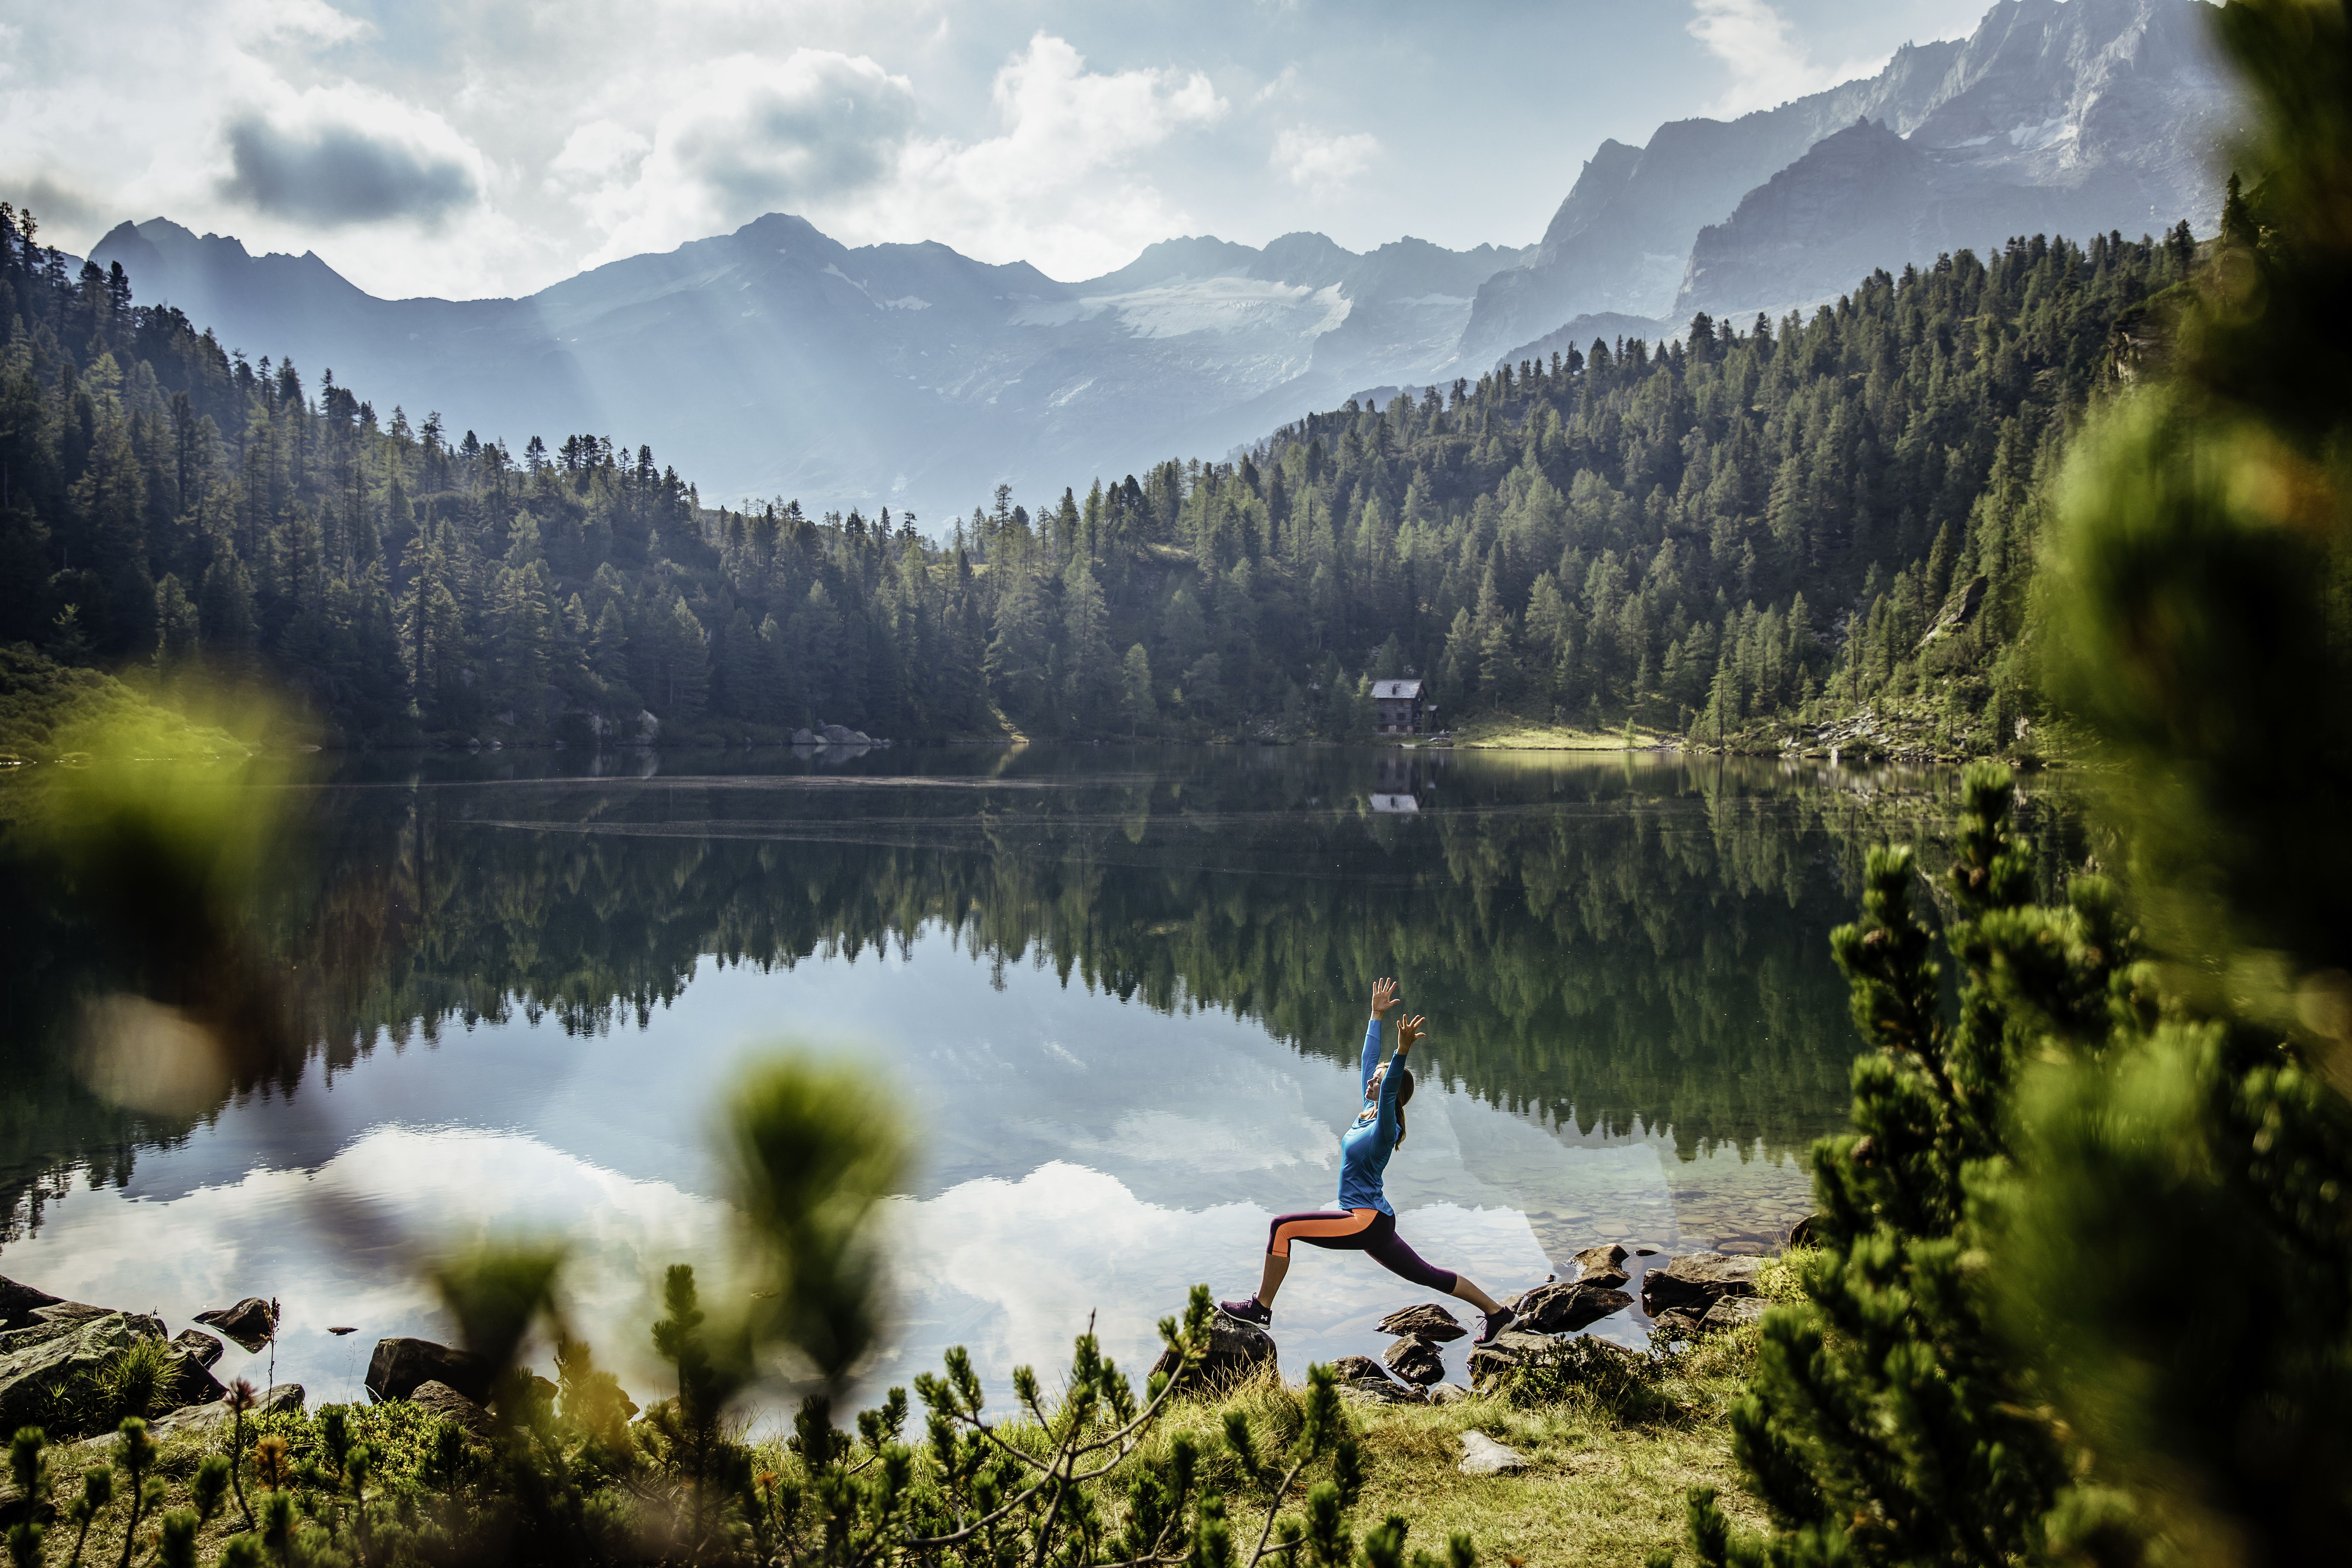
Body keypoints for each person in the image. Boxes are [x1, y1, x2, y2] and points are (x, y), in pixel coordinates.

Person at [1220, 977, 1520, 1345]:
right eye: (1372, 1080)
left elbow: (1391, 1083)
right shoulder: (1368, 1109)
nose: (1370, 1082)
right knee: (1428, 1274)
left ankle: (1262, 1308)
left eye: (1376, 1081)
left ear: (1389, 1090)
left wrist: (1402, 1053)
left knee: (1282, 1228)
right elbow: (1367, 1062)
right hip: (1374, 1220)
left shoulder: (1385, 1127)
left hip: (1365, 1221)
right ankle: (1498, 1313)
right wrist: (1375, 1015)